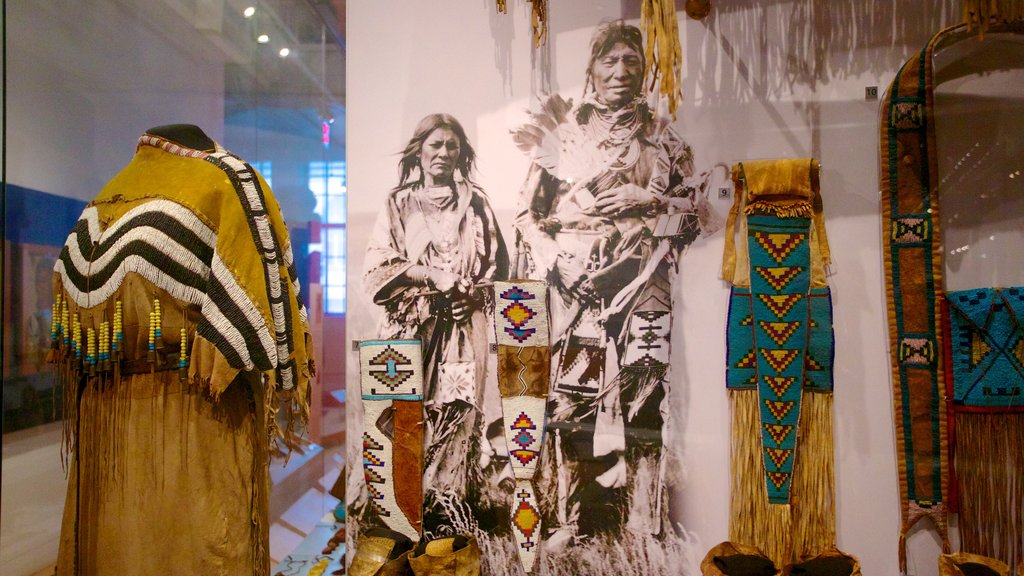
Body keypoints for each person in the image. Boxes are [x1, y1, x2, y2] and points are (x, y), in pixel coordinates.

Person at [512, 21, 717, 543]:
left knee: (646, 392)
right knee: (574, 398)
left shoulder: (664, 140)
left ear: (644, 72)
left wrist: (647, 201)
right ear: (593, 69)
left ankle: (642, 520)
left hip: (645, 277)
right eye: (610, 62)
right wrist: (558, 260)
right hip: (580, 280)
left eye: (631, 62)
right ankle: (577, 517)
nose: (620, 72)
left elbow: (699, 215)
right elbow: (525, 215)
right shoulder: (565, 137)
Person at [363, 113, 508, 535]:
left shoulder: (476, 202)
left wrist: (474, 296)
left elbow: (499, 268)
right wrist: (430, 276)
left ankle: (447, 508)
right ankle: (399, 510)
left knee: (455, 412)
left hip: (461, 331)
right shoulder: (399, 202)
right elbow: (377, 265)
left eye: (452, 146)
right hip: (406, 328)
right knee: (402, 414)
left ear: (461, 153)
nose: (443, 153)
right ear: (419, 151)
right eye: (435, 145)